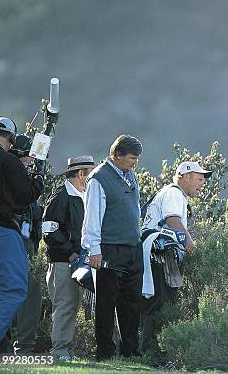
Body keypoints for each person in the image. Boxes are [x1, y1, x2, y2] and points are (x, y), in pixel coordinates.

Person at [82, 135, 143, 359]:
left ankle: (130, 351)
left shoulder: (130, 175)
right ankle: (105, 352)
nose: (134, 163)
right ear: (117, 155)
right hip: (108, 249)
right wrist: (94, 250)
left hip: (132, 248)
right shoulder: (98, 178)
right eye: (131, 158)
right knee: (106, 303)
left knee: (131, 301)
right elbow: (92, 218)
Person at [139, 161, 211, 351]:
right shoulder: (173, 192)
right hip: (161, 255)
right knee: (160, 304)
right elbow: (172, 219)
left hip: (156, 254)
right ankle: (149, 351)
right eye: (199, 178)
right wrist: (189, 243)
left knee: (156, 303)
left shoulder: (171, 192)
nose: (202, 183)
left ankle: (148, 350)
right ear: (186, 177)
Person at [0, 117, 44, 357]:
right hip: (2, 230)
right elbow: (25, 197)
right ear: (10, 139)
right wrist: (38, 178)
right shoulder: (8, 161)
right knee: (13, 289)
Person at [43, 155, 95, 360]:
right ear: (81, 174)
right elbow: (50, 231)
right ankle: (59, 351)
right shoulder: (60, 197)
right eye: (90, 173)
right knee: (65, 305)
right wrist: (71, 254)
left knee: (71, 305)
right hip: (64, 263)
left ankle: (64, 350)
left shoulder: (80, 196)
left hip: (76, 262)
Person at [8, 135, 44, 354]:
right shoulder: (8, 171)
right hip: (9, 236)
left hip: (27, 239)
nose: (32, 162)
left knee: (31, 290)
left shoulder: (28, 175)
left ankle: (25, 345)